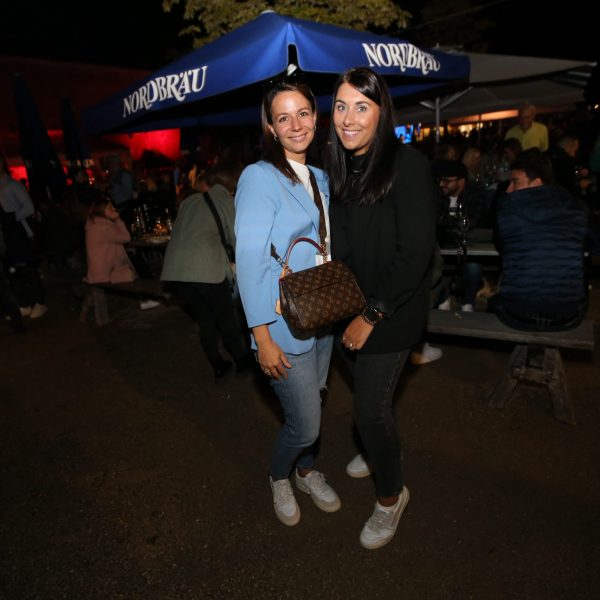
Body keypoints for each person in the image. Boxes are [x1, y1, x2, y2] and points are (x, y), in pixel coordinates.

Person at [325, 67, 437, 549]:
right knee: (371, 399)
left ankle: (391, 496)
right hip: (347, 308)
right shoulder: (342, 168)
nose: (348, 118)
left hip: (390, 311)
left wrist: (371, 315)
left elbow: (415, 255)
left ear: (381, 112)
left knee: (368, 411)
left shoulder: (407, 165)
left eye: (361, 107)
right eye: (341, 106)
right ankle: (377, 451)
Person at [234, 79, 340, 528]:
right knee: (306, 424)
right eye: (283, 117)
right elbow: (249, 260)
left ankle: (307, 471)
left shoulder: (320, 177)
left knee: (316, 399)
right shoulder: (259, 177)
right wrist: (261, 337)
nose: (295, 125)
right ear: (271, 128)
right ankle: (279, 475)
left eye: (303, 113)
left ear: (316, 118)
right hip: (281, 325)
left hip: (321, 312)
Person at [160, 159, 253, 379]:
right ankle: (241, 359)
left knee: (204, 318)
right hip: (206, 271)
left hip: (176, 271)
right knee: (226, 317)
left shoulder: (189, 201)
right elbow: (236, 239)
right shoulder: (226, 202)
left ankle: (217, 364)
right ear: (234, 183)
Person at [488, 149, 588, 330]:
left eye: (515, 182)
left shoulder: (507, 207)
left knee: (494, 299)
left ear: (536, 183)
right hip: (568, 316)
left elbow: (501, 246)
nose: (509, 189)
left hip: (516, 314)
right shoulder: (577, 207)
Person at [84, 197, 160, 310]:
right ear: (102, 211)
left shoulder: (94, 224)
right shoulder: (103, 227)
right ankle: (148, 297)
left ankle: (148, 296)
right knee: (137, 263)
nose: (114, 209)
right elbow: (126, 238)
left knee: (135, 258)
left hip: (100, 271)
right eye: (110, 208)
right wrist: (118, 219)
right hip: (105, 273)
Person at [433, 159, 490, 311]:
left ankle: (468, 303)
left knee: (473, 266)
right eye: (440, 180)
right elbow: (434, 220)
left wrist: (445, 222)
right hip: (443, 245)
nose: (441, 184)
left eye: (447, 181)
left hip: (469, 245)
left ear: (461, 182)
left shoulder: (476, 193)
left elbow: (472, 221)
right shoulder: (437, 194)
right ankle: (442, 299)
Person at [0, 154, 47, 319]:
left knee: (27, 269)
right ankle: (24, 303)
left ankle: (40, 302)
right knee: (13, 272)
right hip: (4, 236)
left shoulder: (12, 185)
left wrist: (11, 218)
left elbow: (29, 207)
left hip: (18, 233)